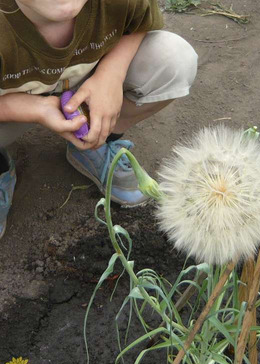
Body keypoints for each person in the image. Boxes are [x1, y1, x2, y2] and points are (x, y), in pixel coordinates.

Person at [0, 0, 198, 239]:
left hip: (89, 82)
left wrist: (112, 73)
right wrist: (35, 109)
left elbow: (138, 20)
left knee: (173, 60)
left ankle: (97, 139)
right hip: (10, 104)